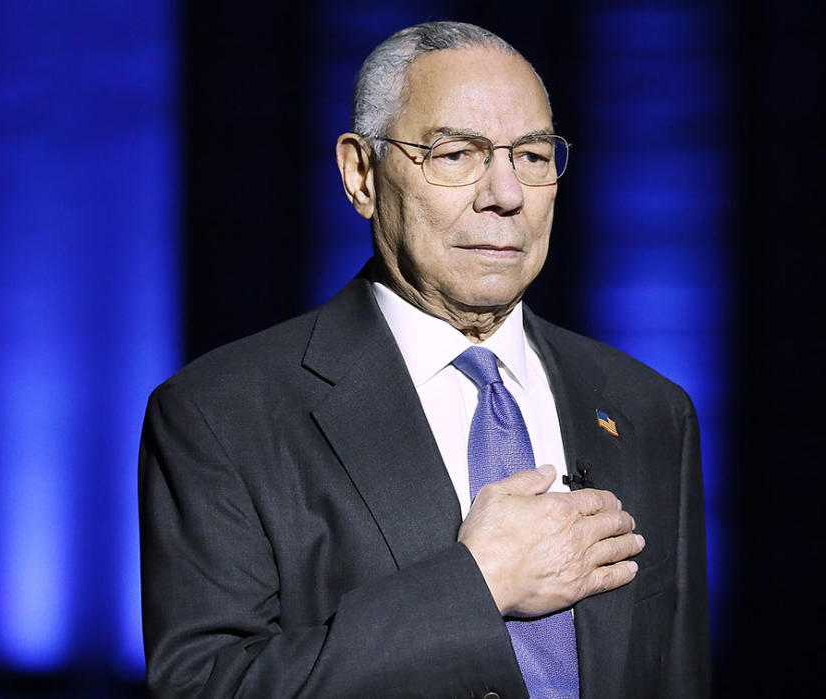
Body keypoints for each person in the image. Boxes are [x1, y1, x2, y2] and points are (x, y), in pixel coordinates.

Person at [139, 21, 708, 698]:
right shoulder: (219, 416)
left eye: (530, 156)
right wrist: (474, 585)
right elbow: (208, 687)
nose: (506, 195)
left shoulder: (650, 410)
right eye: (456, 154)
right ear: (361, 175)